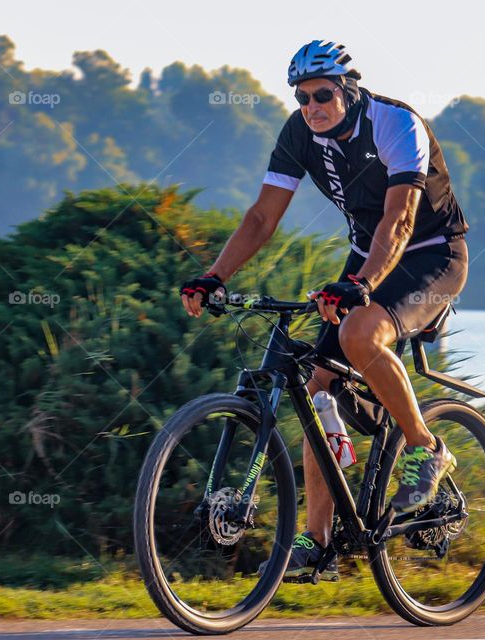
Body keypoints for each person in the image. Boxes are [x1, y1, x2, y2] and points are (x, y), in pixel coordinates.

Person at [180, 40, 469, 582]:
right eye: (301, 97)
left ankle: (426, 448)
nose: (311, 106)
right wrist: (213, 276)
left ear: (349, 91)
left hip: (433, 256)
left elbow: (401, 222)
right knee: (317, 391)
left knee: (361, 333)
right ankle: (317, 544)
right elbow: (262, 218)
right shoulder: (298, 134)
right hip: (368, 260)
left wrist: (359, 284)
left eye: (322, 95)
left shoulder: (394, 123)